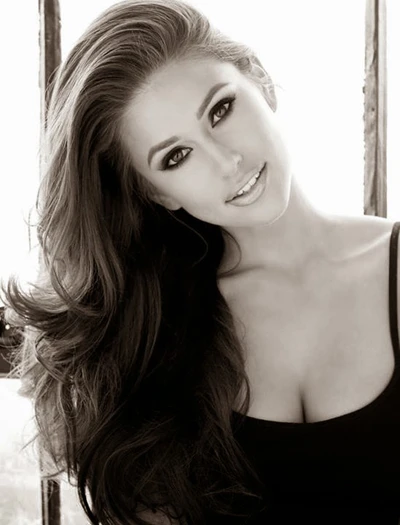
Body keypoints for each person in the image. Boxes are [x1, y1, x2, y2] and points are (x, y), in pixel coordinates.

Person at [2, 0, 400, 523]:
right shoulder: (151, 341)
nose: (226, 161)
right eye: (176, 156)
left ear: (260, 82)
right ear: (157, 193)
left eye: (220, 110)